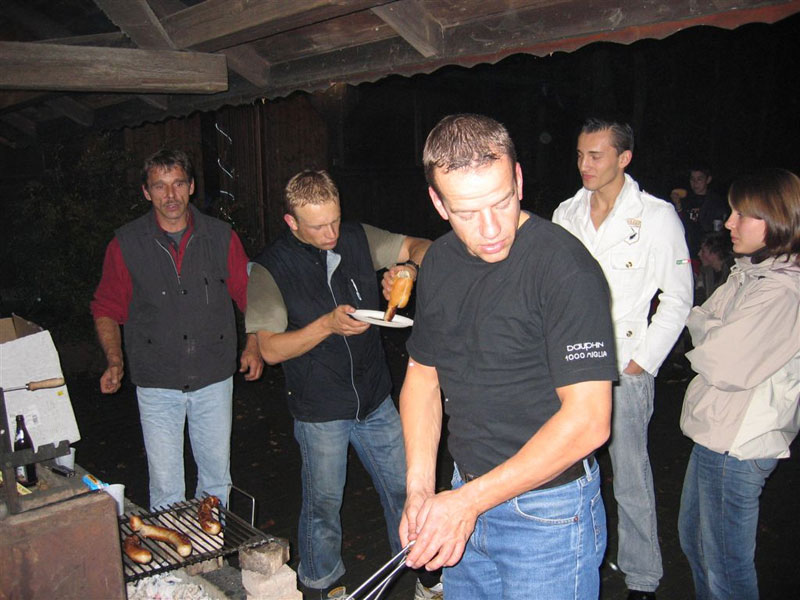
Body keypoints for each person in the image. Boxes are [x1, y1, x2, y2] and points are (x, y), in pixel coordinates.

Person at [399, 113, 618, 599]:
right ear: (438, 203)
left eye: (501, 201)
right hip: (462, 490)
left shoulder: (565, 268)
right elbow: (422, 378)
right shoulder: (438, 261)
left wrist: (467, 503)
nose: (491, 228)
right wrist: (420, 489)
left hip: (547, 515)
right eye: (466, 212)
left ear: (518, 178)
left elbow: (589, 422)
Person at [245, 170, 433, 600]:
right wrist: (327, 325)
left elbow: (423, 245)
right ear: (292, 222)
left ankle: (420, 571)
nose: (331, 233)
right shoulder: (270, 268)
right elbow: (270, 349)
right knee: (323, 508)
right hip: (320, 408)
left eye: (335, 220)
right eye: (318, 226)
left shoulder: (356, 237)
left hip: (375, 398)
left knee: (407, 490)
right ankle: (321, 583)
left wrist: (408, 269)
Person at [553, 117, 693, 600]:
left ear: (624, 158)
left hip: (623, 369)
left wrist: (642, 362)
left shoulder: (655, 216)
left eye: (596, 155)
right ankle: (578, 559)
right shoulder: (566, 212)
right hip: (569, 367)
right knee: (568, 472)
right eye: (580, 154)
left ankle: (642, 577)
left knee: (630, 477)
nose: (584, 164)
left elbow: (678, 297)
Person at [91, 148, 263, 511]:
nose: (170, 195)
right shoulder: (126, 244)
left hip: (214, 378)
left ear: (192, 187)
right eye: (159, 186)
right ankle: (173, 549)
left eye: (178, 184)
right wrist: (115, 360)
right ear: (146, 191)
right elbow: (106, 307)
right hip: (157, 383)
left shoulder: (221, 237)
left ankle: (210, 545)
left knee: (215, 481)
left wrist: (254, 343)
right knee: (166, 488)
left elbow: (251, 296)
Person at [678, 168, 800, 600]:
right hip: (716, 431)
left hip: (739, 443)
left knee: (726, 569)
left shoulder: (780, 292)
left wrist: (711, 332)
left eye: (742, 214)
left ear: (777, 219)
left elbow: (722, 362)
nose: (728, 222)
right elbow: (699, 319)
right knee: (696, 543)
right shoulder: (747, 274)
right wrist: (714, 330)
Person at [670, 163, 729, 258]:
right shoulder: (686, 199)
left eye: (699, 179)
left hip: (707, 252)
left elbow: (717, 232)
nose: (695, 183)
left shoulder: (715, 202)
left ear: (708, 180)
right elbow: (680, 224)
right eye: (692, 179)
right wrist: (678, 205)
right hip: (687, 250)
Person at [694, 231, 733, 305]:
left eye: (703, 251)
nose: (699, 254)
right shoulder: (706, 274)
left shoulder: (732, 275)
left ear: (715, 253)